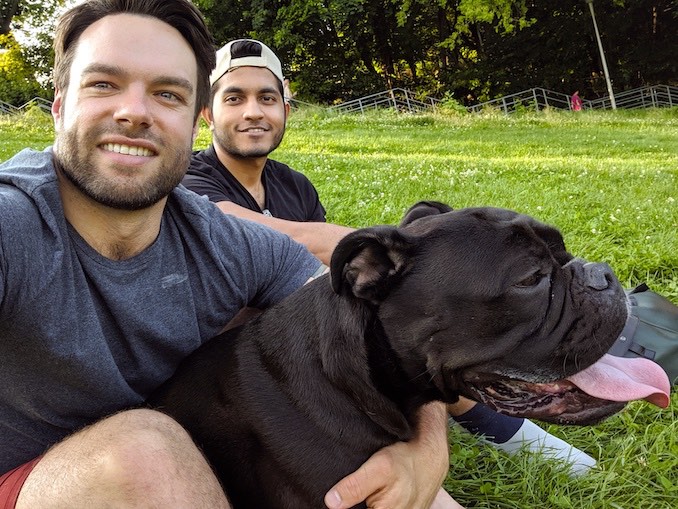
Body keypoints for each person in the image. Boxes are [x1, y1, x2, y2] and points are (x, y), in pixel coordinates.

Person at [0, 2, 455, 509]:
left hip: (193, 459)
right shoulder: (13, 224)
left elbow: (375, 323)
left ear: (195, 121)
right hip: (28, 480)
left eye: (166, 94)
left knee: (386, 470)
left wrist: (426, 450)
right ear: (59, 104)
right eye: (103, 85)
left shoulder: (221, 239)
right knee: (144, 455)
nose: (134, 112)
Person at [185, 38, 599, 478]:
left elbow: (326, 279)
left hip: (299, 341)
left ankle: (498, 424)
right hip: (233, 368)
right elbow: (252, 232)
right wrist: (413, 254)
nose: (253, 112)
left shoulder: (295, 185)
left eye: (267, 98)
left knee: (421, 321)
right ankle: (485, 426)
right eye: (234, 98)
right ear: (209, 114)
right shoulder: (192, 181)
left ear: (286, 106)